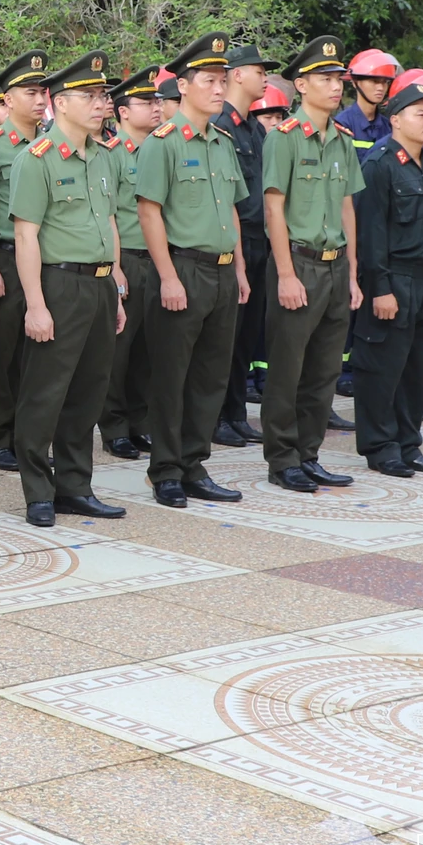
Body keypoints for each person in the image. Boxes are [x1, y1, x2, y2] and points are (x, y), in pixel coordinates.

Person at [7, 51, 126, 527]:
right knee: (45, 392)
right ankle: (38, 490)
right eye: (90, 96)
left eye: (103, 95)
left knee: (89, 391)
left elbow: (111, 220)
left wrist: (116, 281)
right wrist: (35, 304)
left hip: (98, 285)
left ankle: (75, 485)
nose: (101, 104)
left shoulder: (104, 156)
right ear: (59, 103)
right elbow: (25, 234)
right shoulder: (36, 159)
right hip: (59, 283)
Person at [135, 34, 250, 507]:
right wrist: (166, 276)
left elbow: (234, 211)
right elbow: (149, 212)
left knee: (210, 376)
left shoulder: (222, 143)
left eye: (223, 81)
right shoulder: (162, 144)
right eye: (209, 81)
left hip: (222, 273)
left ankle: (194, 464)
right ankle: (165, 470)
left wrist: (240, 270)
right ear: (183, 87)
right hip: (183, 269)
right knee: (171, 376)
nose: (219, 89)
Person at [257, 36, 362, 492]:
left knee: (324, 368)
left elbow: (346, 209)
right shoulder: (283, 139)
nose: (336, 87)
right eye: (326, 79)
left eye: (339, 79)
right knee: (287, 368)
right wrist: (284, 274)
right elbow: (273, 208)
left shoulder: (342, 139)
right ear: (301, 85)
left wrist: (353, 274)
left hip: (336, 267)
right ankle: (282, 459)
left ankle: (309, 453)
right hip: (298, 264)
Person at [350, 70, 423, 478]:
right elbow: (371, 231)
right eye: (419, 114)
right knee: (382, 369)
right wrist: (379, 288)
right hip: (392, 279)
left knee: (418, 371)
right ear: (394, 117)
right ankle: (380, 446)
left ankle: (409, 444)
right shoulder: (379, 163)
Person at [0, 53, 50, 470]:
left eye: (43, 92)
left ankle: (26, 436)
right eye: (30, 93)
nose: (40, 100)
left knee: (35, 356)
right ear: (7, 99)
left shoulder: (49, 144)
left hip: (41, 259)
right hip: (2, 254)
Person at [98, 70, 164, 460]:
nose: (156, 108)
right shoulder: (112, 155)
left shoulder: (162, 148)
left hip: (159, 261)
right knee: (118, 352)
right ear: (123, 112)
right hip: (127, 262)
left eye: (158, 102)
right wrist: (115, 266)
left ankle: (142, 422)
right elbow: (108, 213)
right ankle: (115, 426)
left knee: (148, 350)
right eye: (146, 103)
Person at [214, 44, 274, 444]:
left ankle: (235, 412)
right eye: (258, 70)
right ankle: (217, 415)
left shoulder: (255, 128)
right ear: (236, 74)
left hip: (259, 241)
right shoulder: (219, 125)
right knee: (225, 336)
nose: (265, 77)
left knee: (246, 337)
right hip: (233, 239)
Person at [337, 50, 400, 155]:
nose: (381, 88)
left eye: (385, 82)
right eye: (374, 81)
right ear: (355, 82)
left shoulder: (389, 127)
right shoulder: (343, 124)